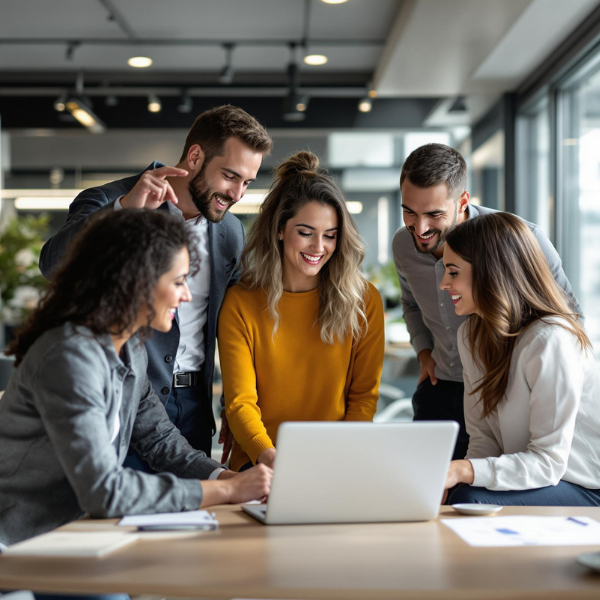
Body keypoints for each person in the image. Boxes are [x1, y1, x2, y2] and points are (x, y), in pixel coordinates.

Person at [0, 209, 272, 549]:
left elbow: (160, 440)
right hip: (18, 543)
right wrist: (227, 491)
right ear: (137, 281)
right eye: (178, 282)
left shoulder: (131, 350)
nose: (186, 295)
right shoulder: (70, 357)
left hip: (75, 536)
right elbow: (105, 491)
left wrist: (229, 477)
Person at [39, 105, 273, 463]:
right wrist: (124, 212)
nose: (238, 194)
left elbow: (232, 321)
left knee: (195, 515)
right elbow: (54, 265)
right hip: (124, 407)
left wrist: (230, 401)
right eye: (230, 176)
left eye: (247, 182)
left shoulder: (230, 232)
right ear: (195, 156)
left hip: (194, 410)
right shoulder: (110, 200)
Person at [391, 143, 581, 460]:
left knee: (488, 493)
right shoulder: (403, 244)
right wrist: (424, 352)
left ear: (463, 200)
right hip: (441, 382)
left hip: (501, 392)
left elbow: (569, 319)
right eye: (409, 211)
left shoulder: (520, 240)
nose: (419, 228)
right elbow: (411, 304)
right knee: (426, 488)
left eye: (434, 214)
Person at [218, 151, 385, 472]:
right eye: (306, 233)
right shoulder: (242, 302)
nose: (318, 247)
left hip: (335, 464)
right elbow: (240, 403)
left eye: (330, 236)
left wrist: (341, 460)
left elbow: (363, 399)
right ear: (280, 229)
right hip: (259, 466)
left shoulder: (364, 301)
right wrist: (270, 459)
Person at [440, 212, 600, 506]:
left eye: (453, 272)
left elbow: (549, 462)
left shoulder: (550, 339)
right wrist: (457, 479)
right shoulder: (471, 336)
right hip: (536, 479)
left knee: (472, 498)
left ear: (491, 272)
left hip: (585, 485)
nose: (443, 284)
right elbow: (484, 440)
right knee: (461, 498)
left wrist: (464, 471)